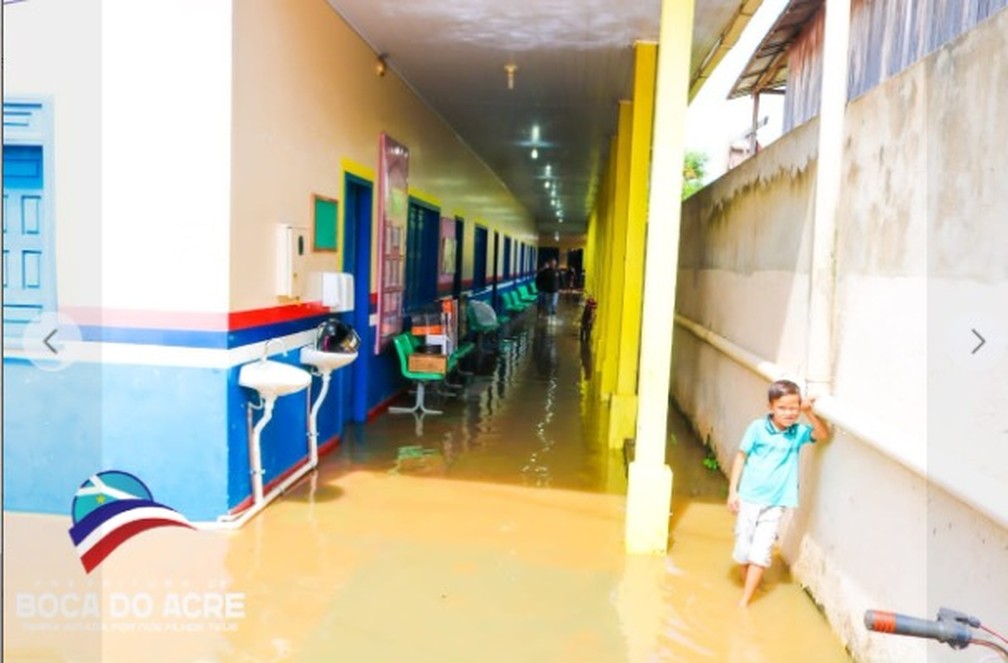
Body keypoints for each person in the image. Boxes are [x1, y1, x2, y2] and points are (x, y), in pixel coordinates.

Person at [727, 378, 829, 607]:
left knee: (761, 552)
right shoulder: (756, 428)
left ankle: (745, 600)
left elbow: (822, 435)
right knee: (743, 550)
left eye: (793, 408)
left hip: (776, 503)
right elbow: (741, 456)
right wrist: (733, 492)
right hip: (749, 498)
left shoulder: (797, 432)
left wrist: (809, 412)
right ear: (770, 407)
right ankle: (750, 584)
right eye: (782, 408)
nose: (789, 413)